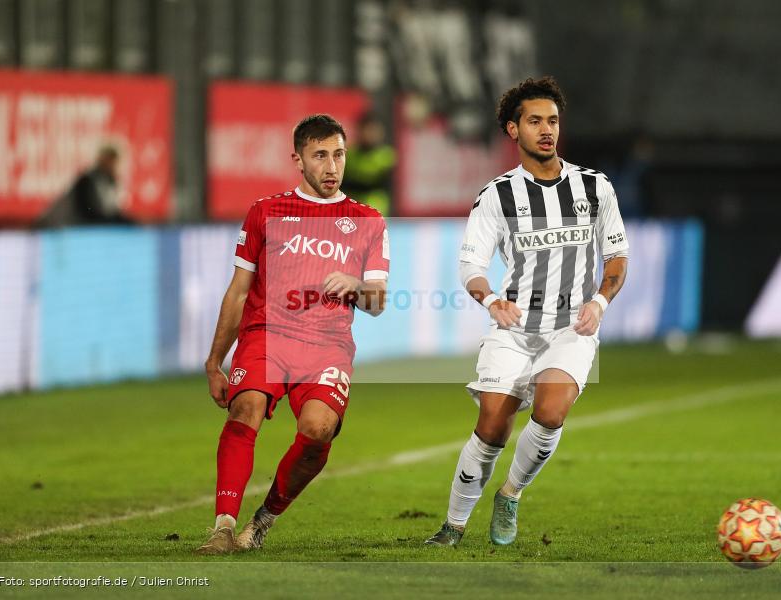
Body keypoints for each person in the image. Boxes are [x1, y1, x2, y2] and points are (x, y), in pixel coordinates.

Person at [425, 76, 629, 546]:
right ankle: (453, 526)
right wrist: (491, 299)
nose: (546, 130)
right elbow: (471, 264)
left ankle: (511, 493)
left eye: (553, 120)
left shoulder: (595, 187)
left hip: (572, 327)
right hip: (515, 329)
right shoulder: (497, 196)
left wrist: (599, 303)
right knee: (493, 428)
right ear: (513, 130)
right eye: (535, 121)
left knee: (551, 411)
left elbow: (617, 256)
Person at [197, 114, 389, 554]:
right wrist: (213, 362)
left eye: (338, 154)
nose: (331, 166)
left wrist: (357, 285)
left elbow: (377, 301)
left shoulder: (368, 220)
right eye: (319, 155)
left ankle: (260, 523)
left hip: (327, 345)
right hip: (268, 334)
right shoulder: (265, 212)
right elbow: (238, 291)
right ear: (298, 160)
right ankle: (223, 527)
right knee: (245, 407)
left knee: (319, 430)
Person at [37, 145, 131, 226]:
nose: (113, 165)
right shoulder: (88, 180)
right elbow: (90, 214)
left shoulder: (112, 183)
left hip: (70, 231)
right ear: (102, 159)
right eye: (110, 160)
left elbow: (111, 214)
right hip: (55, 229)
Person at [340, 112, 396, 216]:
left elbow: (385, 186)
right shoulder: (349, 155)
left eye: (374, 130)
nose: (370, 134)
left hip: (375, 208)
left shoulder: (387, 156)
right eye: (367, 130)